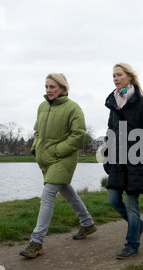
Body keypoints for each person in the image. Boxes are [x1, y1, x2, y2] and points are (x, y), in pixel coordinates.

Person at [20, 73, 97, 259]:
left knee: (47, 195)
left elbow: (78, 135)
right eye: (46, 87)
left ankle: (36, 242)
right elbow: (37, 130)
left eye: (52, 87)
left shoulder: (73, 108)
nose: (48, 90)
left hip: (63, 158)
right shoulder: (42, 106)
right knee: (66, 191)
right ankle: (87, 223)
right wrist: (35, 147)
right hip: (46, 158)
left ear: (63, 88)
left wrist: (57, 151)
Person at [103, 63, 143, 259]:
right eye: (113, 76)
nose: (115, 79)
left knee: (131, 204)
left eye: (119, 75)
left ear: (130, 77)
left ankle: (132, 244)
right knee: (112, 200)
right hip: (117, 161)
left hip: (137, 160)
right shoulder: (113, 103)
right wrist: (107, 155)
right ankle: (139, 226)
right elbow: (110, 131)